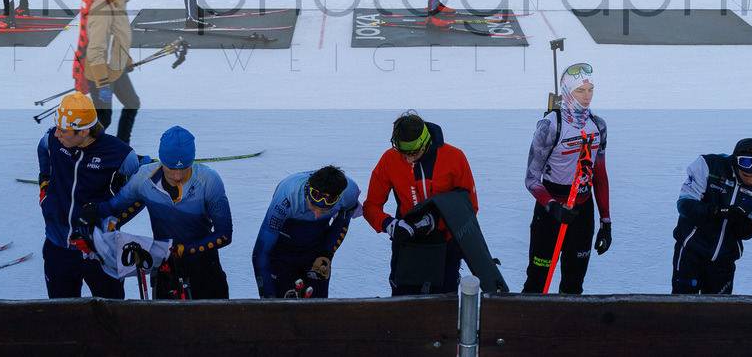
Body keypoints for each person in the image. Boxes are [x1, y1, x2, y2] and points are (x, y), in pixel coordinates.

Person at [85, 126, 233, 299]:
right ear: (162, 160)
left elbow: (225, 234)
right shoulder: (144, 177)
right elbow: (113, 206)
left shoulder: (209, 180)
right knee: (166, 324)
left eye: (184, 168)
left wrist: (183, 250)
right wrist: (92, 210)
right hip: (166, 265)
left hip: (203, 265)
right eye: (170, 168)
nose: (177, 175)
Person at [363, 111, 477, 295]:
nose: (409, 159)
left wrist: (435, 221)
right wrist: (390, 225)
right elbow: (371, 206)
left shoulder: (455, 157)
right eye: (403, 153)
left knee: (443, 309)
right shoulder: (389, 159)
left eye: (414, 153)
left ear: (426, 142)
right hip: (407, 246)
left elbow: (470, 207)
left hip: (445, 246)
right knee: (403, 309)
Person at [37, 91, 139, 299]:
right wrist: (45, 186)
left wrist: (111, 221)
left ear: (83, 131)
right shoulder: (53, 140)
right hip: (57, 246)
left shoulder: (120, 154)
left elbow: (136, 195)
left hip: (99, 250)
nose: (57, 134)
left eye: (63, 130)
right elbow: (43, 148)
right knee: (62, 313)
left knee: (109, 314)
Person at [522, 63, 611, 294]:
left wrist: (606, 222)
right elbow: (532, 178)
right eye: (580, 91)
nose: (587, 96)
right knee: (537, 281)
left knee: (573, 284)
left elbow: (599, 175)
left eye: (590, 89)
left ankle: (566, 328)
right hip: (551, 212)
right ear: (568, 92)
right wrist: (552, 207)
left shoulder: (598, 126)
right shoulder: (550, 126)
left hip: (582, 210)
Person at [672, 138, 752, 294]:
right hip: (690, 252)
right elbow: (684, 206)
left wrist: (745, 228)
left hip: (724, 260)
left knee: (718, 313)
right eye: (746, 175)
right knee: (682, 308)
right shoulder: (708, 164)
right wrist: (717, 211)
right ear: (735, 163)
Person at [252, 166, 361, 298]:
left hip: (315, 251)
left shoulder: (349, 192)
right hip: (282, 255)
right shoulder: (287, 194)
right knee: (282, 311)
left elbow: (342, 223)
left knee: (316, 311)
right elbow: (261, 252)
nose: (317, 214)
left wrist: (326, 255)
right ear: (307, 194)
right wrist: (267, 295)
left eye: (326, 210)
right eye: (313, 206)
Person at [86, 0, 139, 144]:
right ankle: (83, 153)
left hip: (116, 69)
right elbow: (96, 48)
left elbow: (118, 37)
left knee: (132, 103)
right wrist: (102, 83)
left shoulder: (117, 0)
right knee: (103, 118)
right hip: (101, 74)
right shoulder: (103, 7)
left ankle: (122, 148)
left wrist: (126, 59)